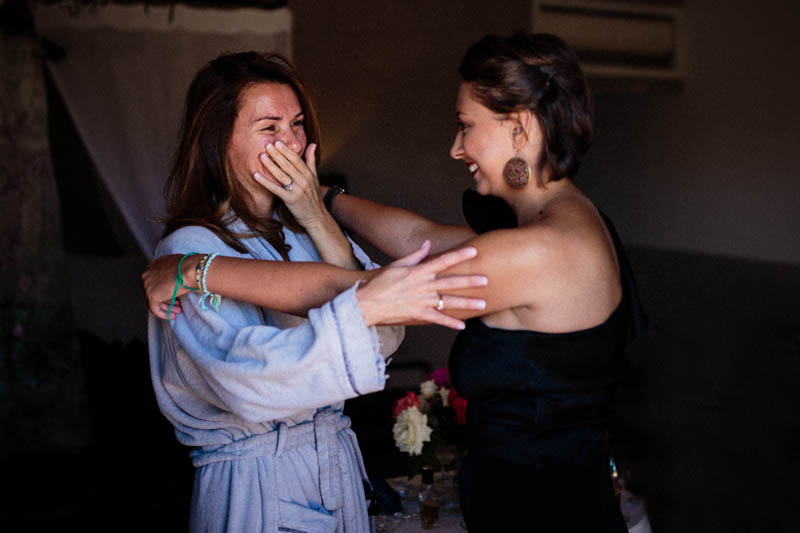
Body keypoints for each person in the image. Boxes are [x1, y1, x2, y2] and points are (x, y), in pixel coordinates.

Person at [147, 32, 647, 532]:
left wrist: (198, 271)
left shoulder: (538, 250)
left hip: (547, 509)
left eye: (465, 126)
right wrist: (322, 199)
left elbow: (380, 297)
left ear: (519, 128)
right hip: (541, 497)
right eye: (270, 127)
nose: (456, 148)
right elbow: (416, 238)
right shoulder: (563, 225)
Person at [146, 51, 489, 533]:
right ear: (218, 140)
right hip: (259, 479)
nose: (292, 142)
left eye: (297, 124)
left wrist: (316, 217)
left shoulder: (304, 234)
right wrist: (367, 302)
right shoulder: (189, 248)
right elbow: (247, 380)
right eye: (269, 128)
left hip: (335, 463)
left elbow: (385, 337)